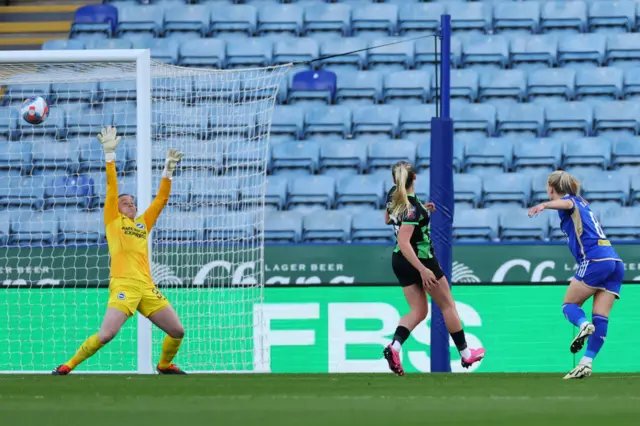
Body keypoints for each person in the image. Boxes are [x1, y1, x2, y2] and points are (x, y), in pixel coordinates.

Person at [53, 127, 187, 375]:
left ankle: (164, 365)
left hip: (146, 287)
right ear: (117, 207)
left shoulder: (142, 225)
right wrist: (109, 155)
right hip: (123, 285)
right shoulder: (113, 221)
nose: (131, 204)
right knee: (106, 334)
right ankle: (68, 365)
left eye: (133, 202)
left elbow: (159, 202)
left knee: (178, 331)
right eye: (126, 202)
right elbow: (111, 187)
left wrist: (168, 172)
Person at [383, 161, 486, 376]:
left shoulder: (394, 195)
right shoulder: (414, 209)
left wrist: (424, 210)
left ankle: (395, 347)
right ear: (415, 178)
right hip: (421, 260)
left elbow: (388, 219)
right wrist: (422, 269)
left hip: (399, 262)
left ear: (395, 180)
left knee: (418, 311)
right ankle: (466, 354)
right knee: (448, 305)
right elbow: (405, 240)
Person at [528, 170, 623, 380]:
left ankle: (582, 325)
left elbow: (566, 203)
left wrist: (544, 205)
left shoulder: (570, 201)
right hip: (615, 262)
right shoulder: (583, 201)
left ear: (551, 189)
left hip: (595, 260)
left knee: (569, 305)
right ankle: (585, 363)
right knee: (601, 317)